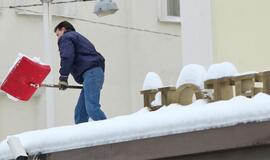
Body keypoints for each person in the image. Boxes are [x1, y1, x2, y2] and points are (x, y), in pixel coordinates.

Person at [54, 21, 107, 124]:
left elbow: (67, 56)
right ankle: (82, 137)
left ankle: (110, 132)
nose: (58, 38)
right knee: (80, 113)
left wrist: (63, 77)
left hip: (91, 73)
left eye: (58, 34)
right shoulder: (77, 38)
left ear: (63, 29)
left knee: (92, 108)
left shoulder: (66, 37)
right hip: (92, 74)